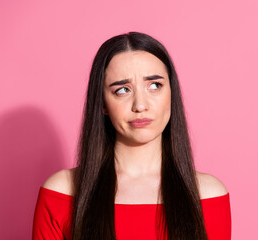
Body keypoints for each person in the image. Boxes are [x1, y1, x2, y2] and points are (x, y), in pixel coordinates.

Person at [32, 32, 231, 240]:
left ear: (172, 93)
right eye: (122, 90)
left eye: (155, 86)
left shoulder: (207, 195)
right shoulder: (62, 193)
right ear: (102, 103)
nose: (140, 105)